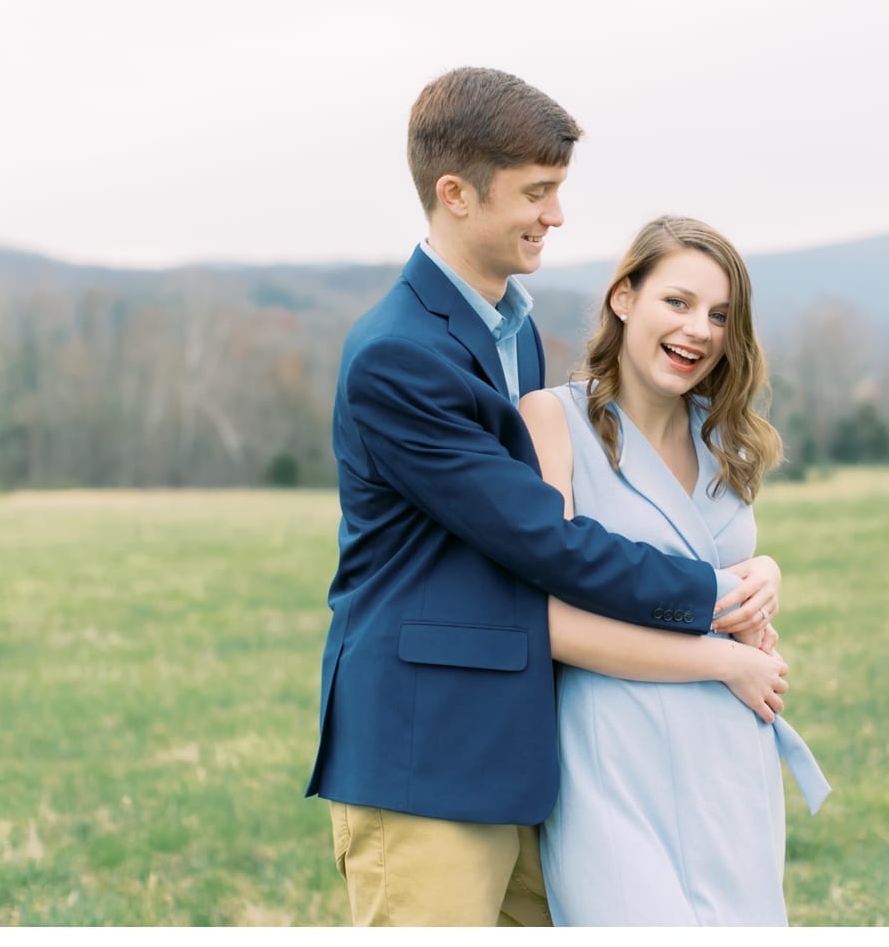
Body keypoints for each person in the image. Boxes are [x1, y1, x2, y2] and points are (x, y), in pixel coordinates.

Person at [304, 67, 786, 927]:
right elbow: (544, 541)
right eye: (537, 192)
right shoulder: (399, 355)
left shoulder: (512, 333)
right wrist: (716, 598)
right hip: (428, 752)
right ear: (456, 194)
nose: (555, 216)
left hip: (527, 758)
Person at [519, 215, 831, 927]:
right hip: (614, 758)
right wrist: (723, 665)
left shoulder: (722, 439)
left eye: (721, 315)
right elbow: (549, 621)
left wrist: (766, 573)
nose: (700, 330)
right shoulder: (551, 421)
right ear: (624, 298)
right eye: (678, 302)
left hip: (729, 760)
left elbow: (716, 569)